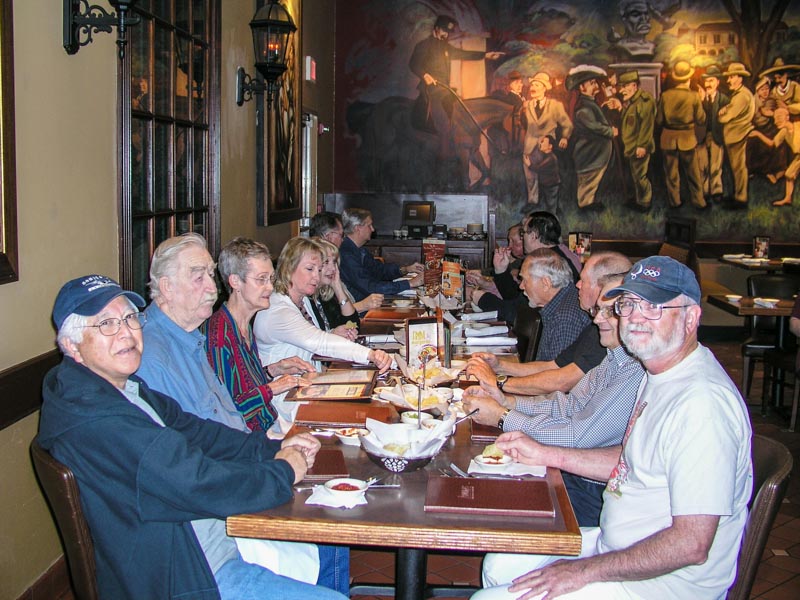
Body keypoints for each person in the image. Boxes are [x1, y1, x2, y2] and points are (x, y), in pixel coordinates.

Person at [39, 274, 347, 600]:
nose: (126, 333)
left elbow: (198, 432)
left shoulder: (121, 387)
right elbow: (197, 482)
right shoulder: (100, 420)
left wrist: (274, 447)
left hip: (198, 530)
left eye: (130, 318)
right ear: (72, 345)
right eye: (106, 324)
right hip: (187, 570)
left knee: (331, 542)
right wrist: (283, 471)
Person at [473, 256, 752, 600]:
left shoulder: (702, 405)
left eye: (653, 307)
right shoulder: (660, 373)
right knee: (499, 565)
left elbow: (691, 544)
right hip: (615, 544)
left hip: (665, 582)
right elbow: (632, 459)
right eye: (629, 304)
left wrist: (583, 571)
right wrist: (545, 452)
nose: (634, 317)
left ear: (692, 317)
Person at [135, 234, 349, 592]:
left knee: (332, 520)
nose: (211, 286)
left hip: (241, 462)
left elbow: (224, 418)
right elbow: (191, 458)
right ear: (167, 288)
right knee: (329, 524)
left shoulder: (191, 338)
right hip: (210, 521)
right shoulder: (152, 353)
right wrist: (273, 465)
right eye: (198, 275)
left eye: (210, 273)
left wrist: (271, 444)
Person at [462, 277, 644, 526]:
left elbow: (575, 437)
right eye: (598, 310)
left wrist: (503, 417)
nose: (597, 319)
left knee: (485, 502)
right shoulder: (613, 357)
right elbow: (567, 406)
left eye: (609, 312)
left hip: (595, 492)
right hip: (575, 472)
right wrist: (507, 401)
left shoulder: (635, 370)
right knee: (477, 485)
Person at [254, 237, 393, 425]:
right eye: (310, 269)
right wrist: (370, 354)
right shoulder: (278, 310)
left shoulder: (302, 300)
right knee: (369, 414)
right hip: (285, 403)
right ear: (289, 268)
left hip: (310, 386)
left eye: (319, 270)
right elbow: (320, 342)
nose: (316, 277)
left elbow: (321, 340)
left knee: (377, 398)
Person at [467, 252, 632, 397]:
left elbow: (559, 383)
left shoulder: (571, 317)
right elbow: (553, 365)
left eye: (583, 280)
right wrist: (500, 366)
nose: (577, 285)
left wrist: (498, 383)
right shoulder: (593, 325)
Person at [206, 237, 314, 433]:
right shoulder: (219, 336)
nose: (270, 287)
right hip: (252, 438)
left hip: (270, 423)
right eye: (261, 279)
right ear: (235, 281)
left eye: (271, 279)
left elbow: (243, 386)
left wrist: (273, 370)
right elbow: (227, 410)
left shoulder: (245, 324)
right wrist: (273, 387)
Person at [409, 14, 504, 157]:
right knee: (444, 127)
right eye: (444, 31)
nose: (446, 34)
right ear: (436, 29)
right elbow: (413, 64)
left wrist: (485, 55)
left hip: (445, 90)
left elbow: (463, 54)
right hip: (431, 90)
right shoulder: (423, 45)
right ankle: (443, 159)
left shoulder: (445, 47)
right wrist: (425, 75)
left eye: (448, 32)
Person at [338, 207, 424, 300]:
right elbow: (370, 288)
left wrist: (406, 269)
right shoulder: (346, 255)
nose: (373, 229)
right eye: (369, 225)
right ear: (358, 228)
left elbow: (380, 271)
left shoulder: (359, 250)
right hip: (362, 309)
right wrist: (410, 283)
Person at [656, 61, 707, 210]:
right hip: (687, 139)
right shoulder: (694, 96)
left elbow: (658, 120)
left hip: (668, 139)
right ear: (688, 78)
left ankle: (675, 202)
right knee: (693, 174)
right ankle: (699, 202)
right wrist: (702, 102)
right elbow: (701, 120)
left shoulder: (665, 96)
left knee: (671, 174)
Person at [309, 211, 384, 313]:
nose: (343, 240)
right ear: (328, 237)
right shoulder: (317, 276)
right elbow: (333, 316)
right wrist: (364, 304)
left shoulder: (335, 260)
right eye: (341, 235)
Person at [566, 64, 617, 212]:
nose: (596, 85)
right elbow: (594, 126)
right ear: (582, 87)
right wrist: (610, 131)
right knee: (588, 181)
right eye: (592, 83)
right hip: (590, 153)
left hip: (595, 154)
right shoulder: (584, 107)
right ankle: (585, 205)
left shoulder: (590, 103)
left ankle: (588, 203)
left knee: (591, 182)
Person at [522, 71, 573, 205]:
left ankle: (551, 203)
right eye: (532, 85)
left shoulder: (555, 105)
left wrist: (565, 138)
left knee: (548, 176)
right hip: (530, 145)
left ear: (544, 88)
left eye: (537, 85)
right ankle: (532, 202)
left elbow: (567, 124)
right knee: (530, 176)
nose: (533, 87)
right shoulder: (527, 106)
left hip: (547, 147)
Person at [615, 70, 656, 212]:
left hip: (639, 147)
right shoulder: (632, 102)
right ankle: (639, 199)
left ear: (634, 85)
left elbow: (647, 125)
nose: (622, 90)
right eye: (621, 87)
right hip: (631, 147)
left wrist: (642, 145)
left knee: (640, 176)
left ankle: (644, 203)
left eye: (624, 86)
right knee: (635, 175)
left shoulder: (645, 101)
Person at [719, 62, 755, 210]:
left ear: (740, 78)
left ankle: (741, 199)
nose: (728, 81)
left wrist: (722, 113)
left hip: (738, 136)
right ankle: (737, 195)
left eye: (732, 77)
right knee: (735, 168)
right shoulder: (741, 95)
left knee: (739, 168)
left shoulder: (742, 96)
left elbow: (725, 118)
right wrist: (727, 108)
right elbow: (731, 110)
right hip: (735, 135)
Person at [749, 107, 799, 206]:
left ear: (787, 117)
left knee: (789, 174)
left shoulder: (798, 126)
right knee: (789, 174)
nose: (777, 121)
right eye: (775, 118)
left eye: (779, 117)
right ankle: (788, 199)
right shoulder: (783, 132)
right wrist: (758, 134)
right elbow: (772, 143)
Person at [311, 237, 361, 332]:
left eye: (334, 262)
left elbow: (353, 325)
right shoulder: (306, 298)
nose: (333, 268)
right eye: (326, 262)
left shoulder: (325, 294)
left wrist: (338, 287)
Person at [698, 65, 730, 204]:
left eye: (711, 81)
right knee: (702, 165)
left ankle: (716, 191)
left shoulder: (724, 99)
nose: (708, 84)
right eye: (706, 81)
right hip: (702, 136)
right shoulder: (699, 98)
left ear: (717, 82)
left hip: (717, 135)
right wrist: (702, 101)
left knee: (716, 165)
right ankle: (704, 191)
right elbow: (698, 117)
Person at [525, 135, 561, 215]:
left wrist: (529, 165)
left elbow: (539, 168)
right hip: (546, 186)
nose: (540, 144)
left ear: (550, 146)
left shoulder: (551, 158)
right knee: (546, 207)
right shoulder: (546, 156)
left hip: (551, 187)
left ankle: (553, 222)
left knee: (551, 207)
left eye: (543, 142)